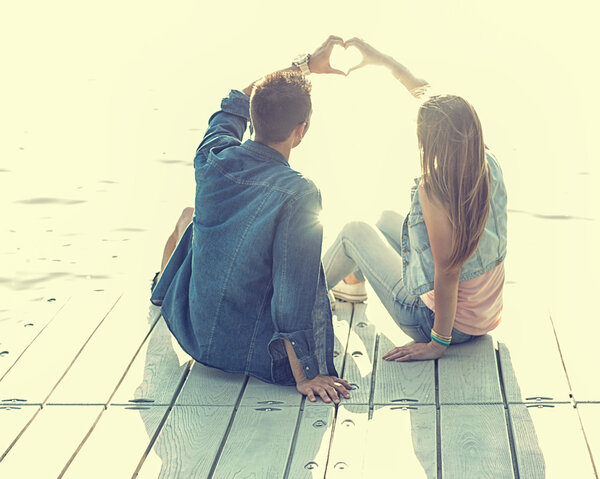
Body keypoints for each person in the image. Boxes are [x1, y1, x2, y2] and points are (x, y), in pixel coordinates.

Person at [151, 36, 352, 404]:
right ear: (301, 131)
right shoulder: (300, 193)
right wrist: (309, 374)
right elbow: (292, 296)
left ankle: (159, 289)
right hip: (251, 353)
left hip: (192, 330)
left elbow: (236, 101)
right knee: (196, 222)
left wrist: (305, 65)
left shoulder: (212, 156)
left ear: (252, 119)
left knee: (191, 219)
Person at [324, 38, 507, 362]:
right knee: (384, 220)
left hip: (432, 323)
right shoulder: (485, 162)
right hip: (483, 317)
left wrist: (437, 343)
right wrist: (383, 60)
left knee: (354, 231)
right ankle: (352, 282)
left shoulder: (435, 190)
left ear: (428, 140)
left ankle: (295, 302)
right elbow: (432, 98)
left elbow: (447, 272)